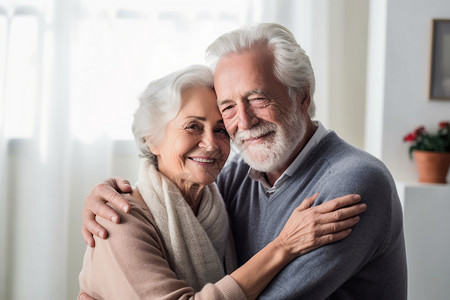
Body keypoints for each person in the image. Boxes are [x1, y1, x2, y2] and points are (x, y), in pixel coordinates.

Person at [81, 23, 407, 299]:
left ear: (303, 96)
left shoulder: (354, 181)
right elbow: (166, 196)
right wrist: (103, 197)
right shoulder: (233, 179)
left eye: (257, 98)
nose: (244, 122)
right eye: (228, 107)